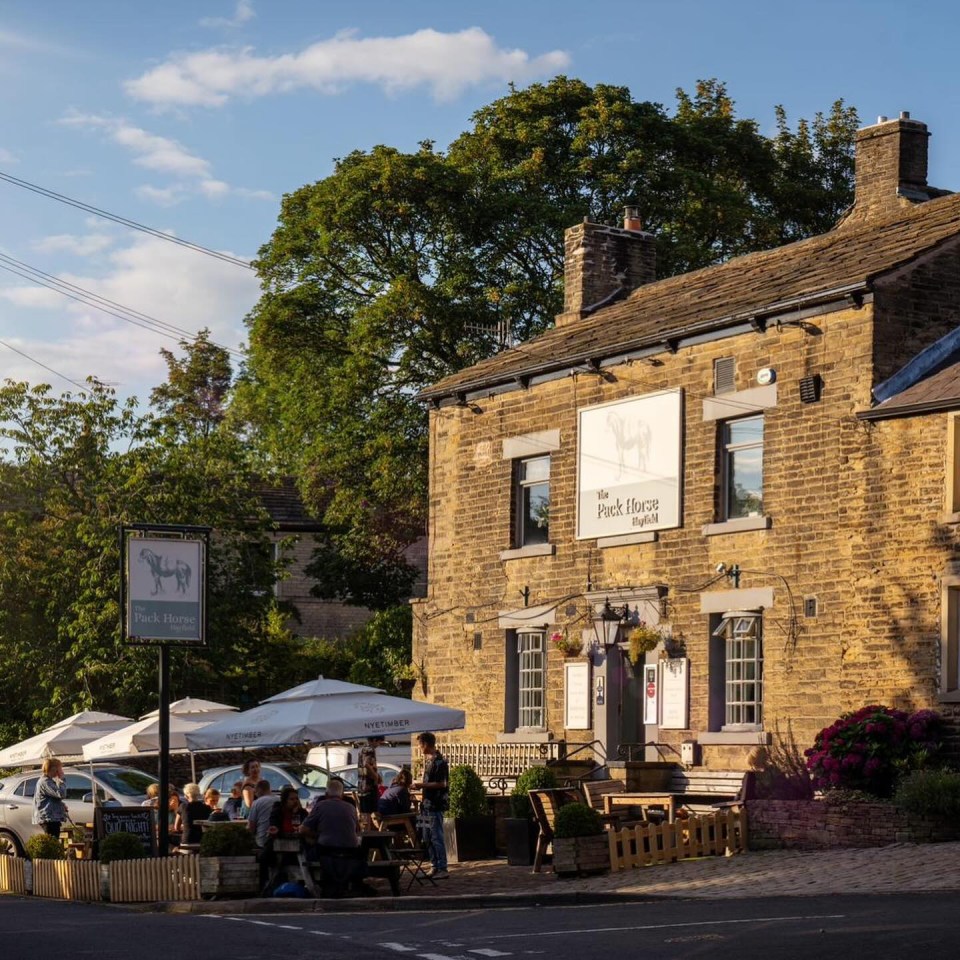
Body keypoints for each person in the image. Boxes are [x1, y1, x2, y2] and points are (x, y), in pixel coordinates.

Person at [299, 778, 367, 897]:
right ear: (342, 794)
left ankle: (310, 885)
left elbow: (303, 829)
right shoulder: (350, 807)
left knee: (306, 851)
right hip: (351, 851)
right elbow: (357, 830)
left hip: (326, 850)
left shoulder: (320, 805)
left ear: (326, 794)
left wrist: (317, 834)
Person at [414, 731, 449, 879]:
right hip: (426, 805)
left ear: (426, 744)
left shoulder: (440, 762)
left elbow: (442, 783)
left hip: (435, 805)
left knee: (436, 836)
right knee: (426, 836)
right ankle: (434, 865)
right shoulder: (429, 761)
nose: (419, 748)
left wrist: (421, 785)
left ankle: (442, 867)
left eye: (420, 745)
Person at [32, 757, 68, 839]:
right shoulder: (45, 782)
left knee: (54, 841)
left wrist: (61, 805)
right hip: (48, 818)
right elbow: (61, 794)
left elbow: (51, 799)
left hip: (51, 818)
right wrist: (62, 779)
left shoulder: (49, 781)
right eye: (60, 768)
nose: (61, 770)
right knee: (53, 841)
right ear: (54, 769)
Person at [357, 736, 384, 830]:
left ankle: (366, 833)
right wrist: (376, 777)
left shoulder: (362, 749)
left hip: (362, 786)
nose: (378, 745)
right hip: (369, 786)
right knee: (372, 813)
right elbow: (367, 764)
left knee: (365, 814)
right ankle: (371, 835)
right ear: (374, 740)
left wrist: (377, 775)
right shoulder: (370, 749)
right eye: (379, 743)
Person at [246, 779, 277, 849]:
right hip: (280, 840)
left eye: (255, 792)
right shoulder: (280, 799)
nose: (255, 794)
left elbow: (251, 827)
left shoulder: (257, 802)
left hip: (262, 841)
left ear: (259, 790)